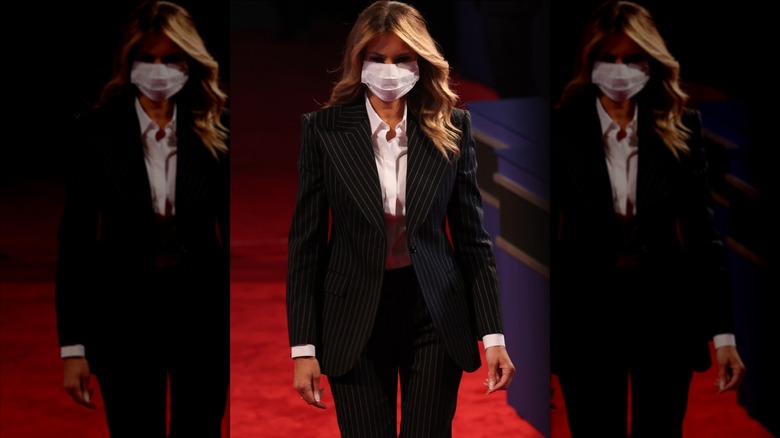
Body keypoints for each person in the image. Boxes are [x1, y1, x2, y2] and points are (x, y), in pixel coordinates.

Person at [285, 1, 515, 436]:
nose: (389, 69)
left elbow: (472, 240)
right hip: (353, 315)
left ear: (420, 63)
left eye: (402, 59)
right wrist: (303, 347)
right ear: (359, 61)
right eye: (378, 58)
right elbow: (306, 245)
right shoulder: (324, 130)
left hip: (434, 311)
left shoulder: (452, 128)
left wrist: (494, 337)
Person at [550, 1, 746, 437]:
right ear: (591, 61)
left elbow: (703, 236)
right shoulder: (561, 128)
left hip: (663, 314)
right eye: (609, 59)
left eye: (632, 59)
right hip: (587, 315)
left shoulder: (681, 127)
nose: (620, 70)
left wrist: (724, 335)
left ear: (650, 62)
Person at [55, 2, 229, 437]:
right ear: (128, 62)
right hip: (123, 315)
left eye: (170, 59)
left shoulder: (218, 130)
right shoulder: (95, 132)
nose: (158, 70)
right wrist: (73, 347)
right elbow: (75, 242)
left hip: (200, 316)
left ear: (189, 63)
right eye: (146, 59)